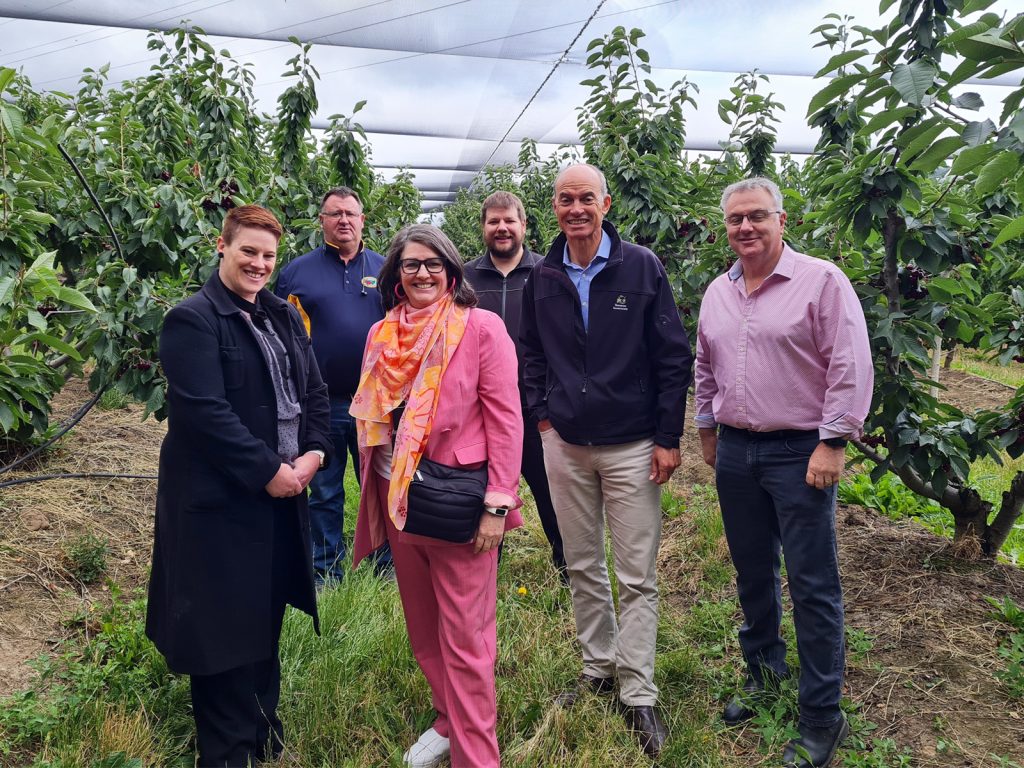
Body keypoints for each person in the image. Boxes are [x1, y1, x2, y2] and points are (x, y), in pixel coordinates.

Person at [694, 177, 873, 768]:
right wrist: (707, 428)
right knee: (752, 571)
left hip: (801, 452)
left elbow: (849, 363)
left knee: (812, 582)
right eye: (735, 219)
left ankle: (823, 713)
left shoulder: (821, 281)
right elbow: (706, 365)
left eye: (756, 217)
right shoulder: (718, 292)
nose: (745, 228)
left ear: (781, 219)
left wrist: (834, 441)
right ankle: (763, 671)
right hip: (738, 452)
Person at [146, 205, 330, 767]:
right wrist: (268, 471)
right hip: (221, 504)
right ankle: (225, 752)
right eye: (248, 251)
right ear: (222, 246)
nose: (259, 264)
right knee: (224, 627)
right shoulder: (193, 319)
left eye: (269, 255)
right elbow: (204, 416)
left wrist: (315, 453)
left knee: (265, 612)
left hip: (280, 497)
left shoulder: (280, 315)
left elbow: (314, 393)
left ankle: (261, 731)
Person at [519, 163, 693, 758]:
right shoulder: (542, 276)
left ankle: (638, 690)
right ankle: (597, 667)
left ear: (606, 203)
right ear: (554, 206)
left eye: (585, 198)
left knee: (636, 573)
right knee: (582, 562)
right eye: (564, 199)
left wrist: (668, 436)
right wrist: (542, 415)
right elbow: (531, 352)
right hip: (564, 443)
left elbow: (673, 356)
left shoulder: (640, 267)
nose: (575, 209)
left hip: (631, 445)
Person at [350, 224, 524, 768]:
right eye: (410, 264)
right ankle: (448, 718)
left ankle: (477, 756)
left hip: (456, 503)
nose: (422, 273)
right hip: (397, 496)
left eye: (432, 263)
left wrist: (498, 503)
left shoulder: (480, 329)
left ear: (451, 271)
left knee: (467, 639)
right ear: (395, 277)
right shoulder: (382, 333)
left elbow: (505, 420)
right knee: (424, 629)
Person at [274, 186, 391, 583]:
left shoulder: (385, 268)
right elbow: (280, 334)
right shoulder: (297, 272)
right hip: (320, 403)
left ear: (362, 221)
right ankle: (326, 570)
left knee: (378, 488)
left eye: (350, 213)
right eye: (334, 213)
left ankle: (384, 565)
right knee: (324, 491)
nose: (343, 220)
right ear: (321, 221)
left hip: (376, 401)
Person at [465, 190, 566, 579]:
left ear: (524, 225)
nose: (502, 228)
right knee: (483, 495)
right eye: (494, 221)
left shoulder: (548, 274)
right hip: (482, 413)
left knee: (553, 495)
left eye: (509, 220)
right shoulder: (465, 277)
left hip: (537, 410)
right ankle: (485, 573)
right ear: (483, 227)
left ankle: (569, 569)